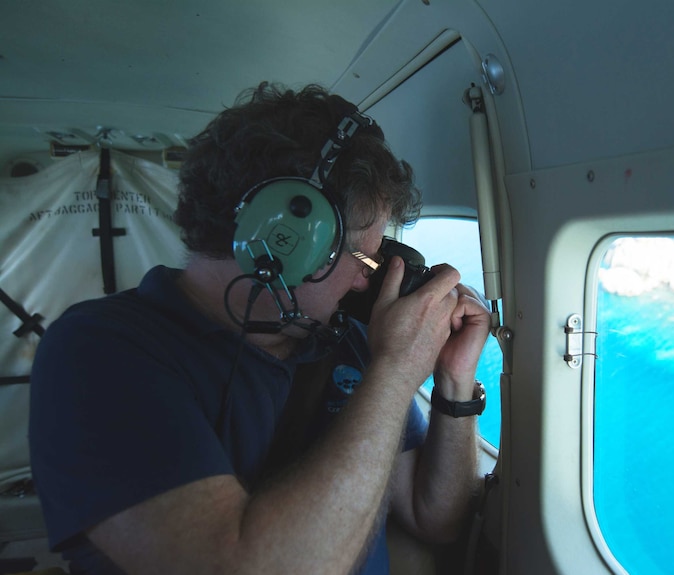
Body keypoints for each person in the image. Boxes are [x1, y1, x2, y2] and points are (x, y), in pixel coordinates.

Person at [28, 82, 490, 574]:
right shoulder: (100, 354)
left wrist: (452, 383)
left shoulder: (347, 341)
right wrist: (396, 372)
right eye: (364, 257)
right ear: (280, 238)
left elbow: (435, 516)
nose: (365, 280)